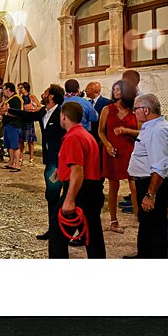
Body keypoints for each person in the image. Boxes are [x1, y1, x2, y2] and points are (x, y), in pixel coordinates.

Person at [6, 84, 66, 240]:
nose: (42, 94)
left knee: (59, 196)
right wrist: (9, 110)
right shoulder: (44, 111)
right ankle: (53, 229)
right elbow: (27, 116)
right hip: (50, 160)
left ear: (51, 96)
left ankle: (63, 230)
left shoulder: (61, 113)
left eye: (46, 92)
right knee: (51, 196)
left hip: (59, 161)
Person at [49, 101, 105, 259]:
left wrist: (69, 200)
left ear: (63, 117)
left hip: (80, 191)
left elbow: (77, 171)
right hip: (92, 189)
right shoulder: (86, 135)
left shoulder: (73, 137)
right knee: (93, 237)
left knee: (56, 235)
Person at [126, 94, 168, 258]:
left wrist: (150, 194)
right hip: (146, 182)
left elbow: (160, 166)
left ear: (146, 110)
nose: (134, 112)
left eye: (136, 109)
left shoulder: (159, 131)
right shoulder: (151, 127)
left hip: (153, 184)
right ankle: (144, 255)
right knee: (147, 224)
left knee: (156, 227)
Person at [98, 80, 139, 233]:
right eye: (114, 89)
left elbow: (141, 132)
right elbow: (101, 131)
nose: (115, 92)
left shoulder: (134, 110)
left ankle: (139, 217)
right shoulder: (107, 109)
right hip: (112, 150)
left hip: (130, 150)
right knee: (113, 187)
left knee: (134, 186)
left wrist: (126, 131)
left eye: (118, 89)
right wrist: (107, 145)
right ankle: (113, 221)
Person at [0, 83, 24, 170]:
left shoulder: (16, 99)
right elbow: (0, 109)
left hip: (14, 125)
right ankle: (11, 162)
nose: (3, 91)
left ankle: (17, 164)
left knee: (15, 146)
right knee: (9, 146)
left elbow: (17, 112)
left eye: (4, 89)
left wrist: (5, 112)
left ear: (8, 89)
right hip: (7, 124)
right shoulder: (8, 99)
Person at [18, 82, 40, 164]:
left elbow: (39, 106)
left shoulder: (31, 97)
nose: (20, 90)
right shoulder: (19, 98)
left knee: (30, 140)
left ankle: (31, 158)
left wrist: (31, 108)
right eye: (19, 88)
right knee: (20, 140)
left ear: (26, 88)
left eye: (21, 88)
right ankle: (20, 157)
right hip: (21, 119)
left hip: (29, 119)